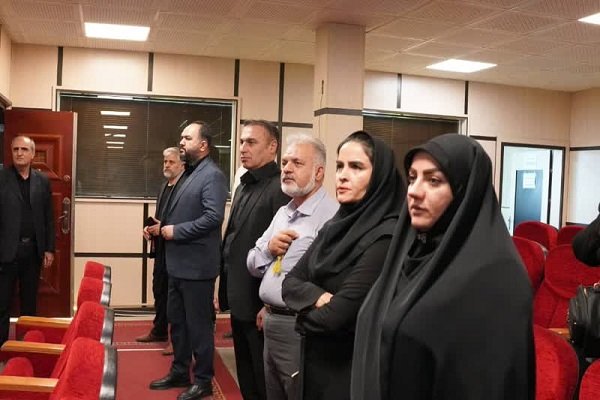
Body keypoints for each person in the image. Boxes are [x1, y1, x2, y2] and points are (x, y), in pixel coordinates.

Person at [352, 134, 535, 400]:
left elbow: (490, 384)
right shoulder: (412, 256)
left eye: (434, 180)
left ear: (464, 191)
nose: (414, 191)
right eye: (412, 178)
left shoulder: (498, 277)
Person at [281, 131, 404, 400]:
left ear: (379, 177)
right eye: (339, 166)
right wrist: (320, 298)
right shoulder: (333, 226)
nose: (342, 176)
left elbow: (337, 316)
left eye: (356, 167)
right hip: (315, 363)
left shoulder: (386, 236)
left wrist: (301, 314)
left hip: (348, 373)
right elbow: (289, 283)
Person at [247, 133, 338, 400]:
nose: (286, 168)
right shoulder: (283, 213)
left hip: (300, 327)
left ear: (318, 172)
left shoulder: (331, 218)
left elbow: (329, 281)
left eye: (297, 163)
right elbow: (252, 262)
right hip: (271, 322)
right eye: (285, 162)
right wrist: (269, 249)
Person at [149, 122, 228, 400]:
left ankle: (204, 380)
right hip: (177, 265)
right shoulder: (190, 173)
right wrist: (161, 227)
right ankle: (180, 371)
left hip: (197, 267)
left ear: (203, 145)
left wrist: (175, 231)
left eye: (187, 138)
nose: (181, 142)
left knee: (199, 328)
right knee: (178, 324)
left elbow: (213, 217)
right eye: (181, 137)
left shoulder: (212, 175)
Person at [220, 120, 290, 400]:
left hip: (260, 302)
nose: (242, 148)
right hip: (238, 295)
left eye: (251, 142)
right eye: (241, 142)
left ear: (272, 147)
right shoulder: (243, 186)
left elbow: (284, 252)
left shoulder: (280, 188)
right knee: (246, 375)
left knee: (264, 381)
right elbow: (233, 240)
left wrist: (267, 304)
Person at [0, 136, 55, 346]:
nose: (19, 153)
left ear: (32, 154)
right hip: (6, 252)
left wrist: (49, 248)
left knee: (29, 304)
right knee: (2, 305)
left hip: (33, 251)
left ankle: (27, 348)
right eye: (15, 149)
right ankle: (2, 350)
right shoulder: (2, 178)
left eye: (24, 149)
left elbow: (48, 217)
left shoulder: (42, 181)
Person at [137, 147, 185, 356]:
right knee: (159, 289)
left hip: (178, 249)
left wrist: (163, 227)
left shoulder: (185, 188)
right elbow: (160, 217)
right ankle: (159, 330)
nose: (166, 165)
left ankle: (177, 340)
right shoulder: (164, 186)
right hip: (162, 247)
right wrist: (149, 229)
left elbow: (183, 221)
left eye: (171, 162)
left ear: (182, 164)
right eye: (165, 161)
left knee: (175, 298)